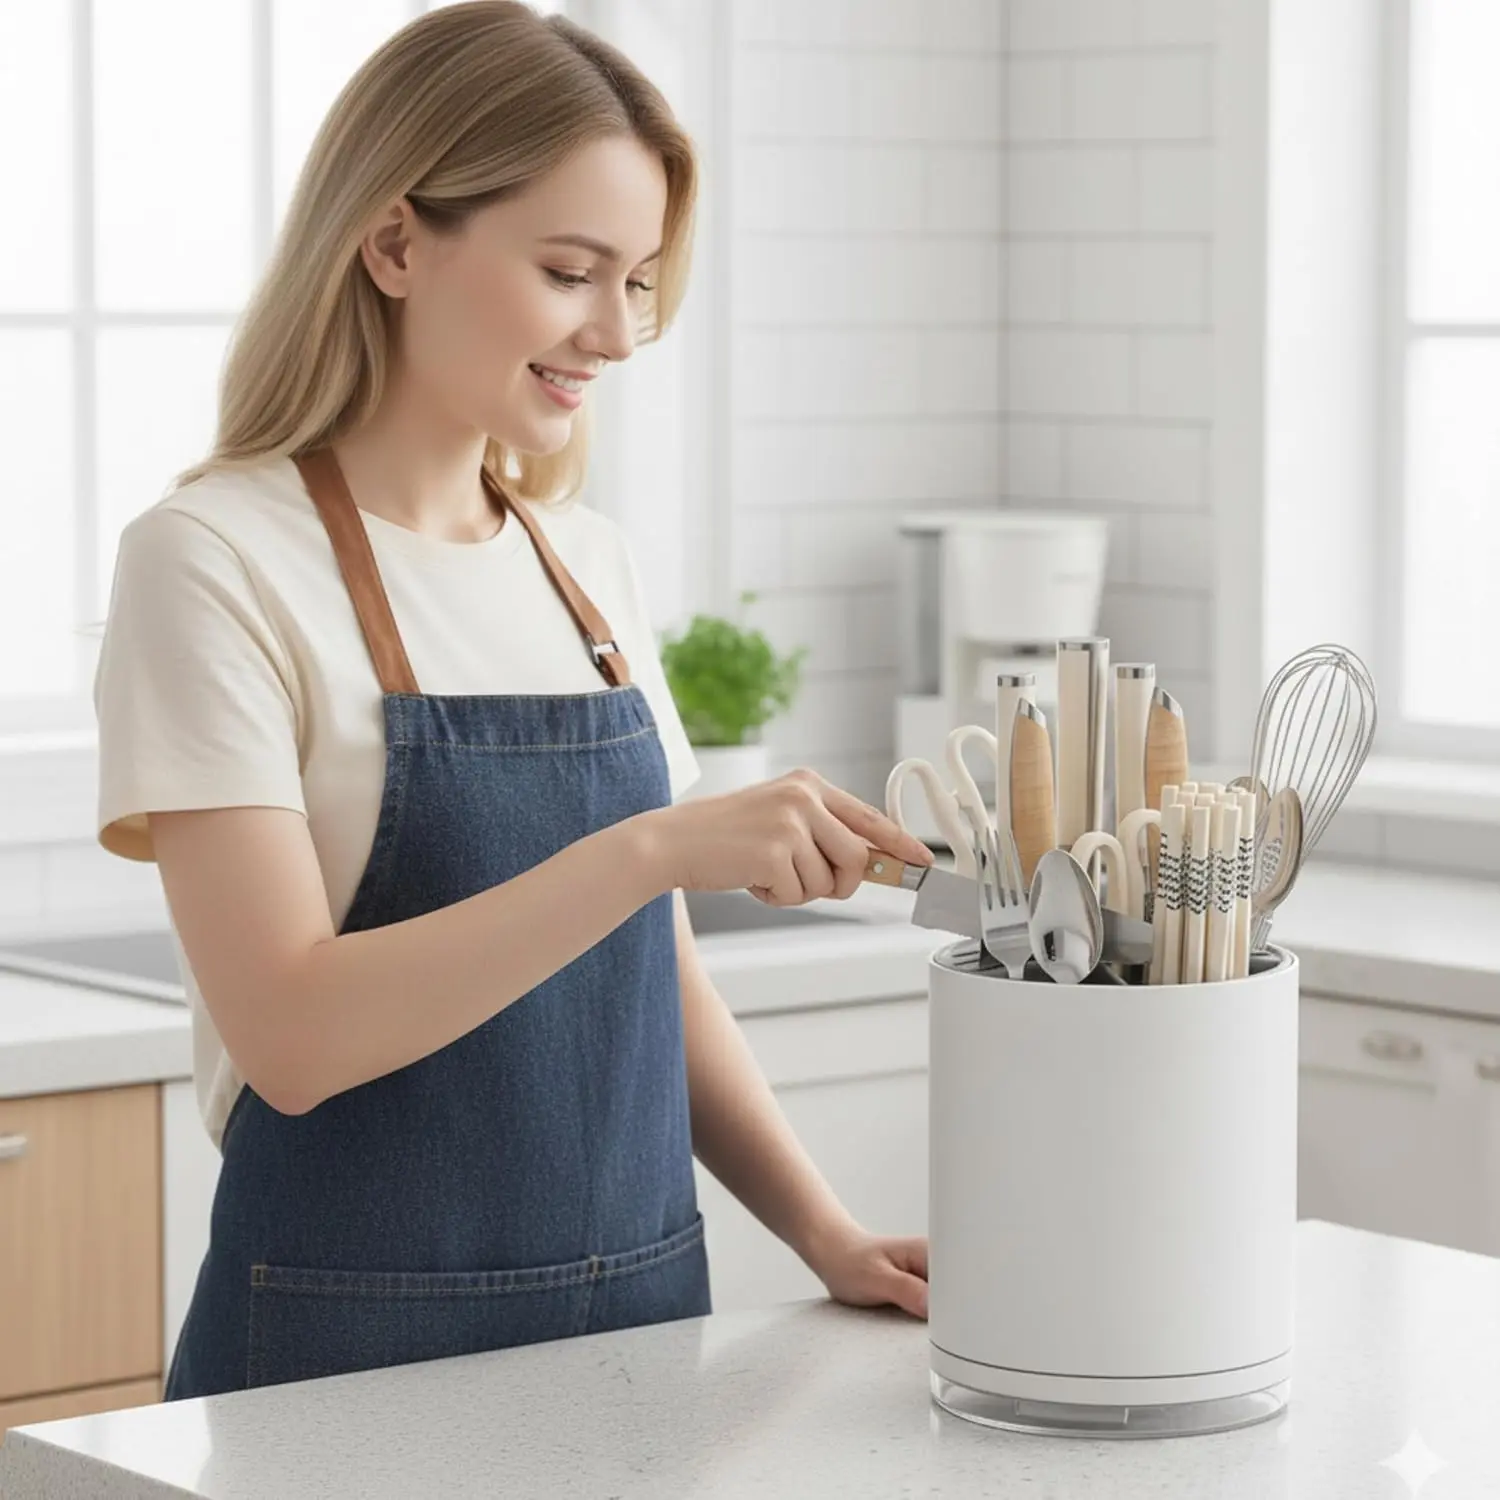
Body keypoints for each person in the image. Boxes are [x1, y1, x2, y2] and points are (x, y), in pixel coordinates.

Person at [93, 1, 935, 1400]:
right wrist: (654, 846)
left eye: (643, 282)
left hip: (639, 1336)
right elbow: (295, 1038)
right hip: (340, 1368)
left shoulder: (583, 569)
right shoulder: (213, 561)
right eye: (570, 271)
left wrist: (823, 1232)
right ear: (396, 242)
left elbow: (647, 969)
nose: (616, 332)